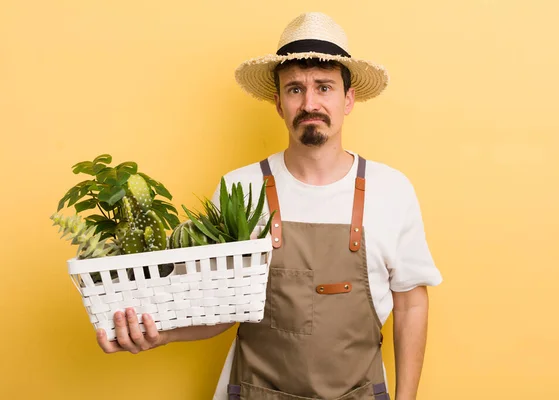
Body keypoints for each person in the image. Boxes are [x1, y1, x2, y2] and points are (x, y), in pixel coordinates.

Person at [96, 12, 443, 400]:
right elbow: (217, 309)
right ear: (278, 103)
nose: (309, 102)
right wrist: (155, 334)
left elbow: (411, 305)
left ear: (348, 99)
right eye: (295, 89)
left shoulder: (391, 190)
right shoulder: (238, 190)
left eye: (324, 87)